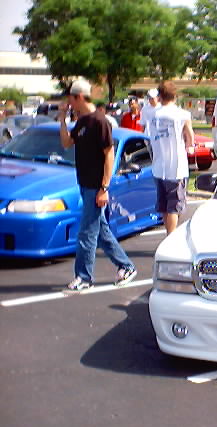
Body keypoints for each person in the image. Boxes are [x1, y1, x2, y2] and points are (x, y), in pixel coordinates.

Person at [58, 78, 137, 291]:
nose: (69, 103)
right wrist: (63, 120)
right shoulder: (82, 121)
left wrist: (104, 188)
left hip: (96, 186)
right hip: (85, 184)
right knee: (100, 231)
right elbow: (66, 143)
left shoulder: (99, 121)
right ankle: (126, 266)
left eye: (70, 99)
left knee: (86, 233)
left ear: (79, 97)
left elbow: (109, 154)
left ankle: (84, 277)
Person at [148, 81, 195, 234]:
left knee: (164, 206)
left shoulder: (152, 115)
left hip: (158, 166)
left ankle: (168, 232)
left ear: (160, 96)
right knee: (174, 206)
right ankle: (171, 236)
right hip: (176, 167)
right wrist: (189, 146)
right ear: (175, 96)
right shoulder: (183, 115)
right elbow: (190, 137)